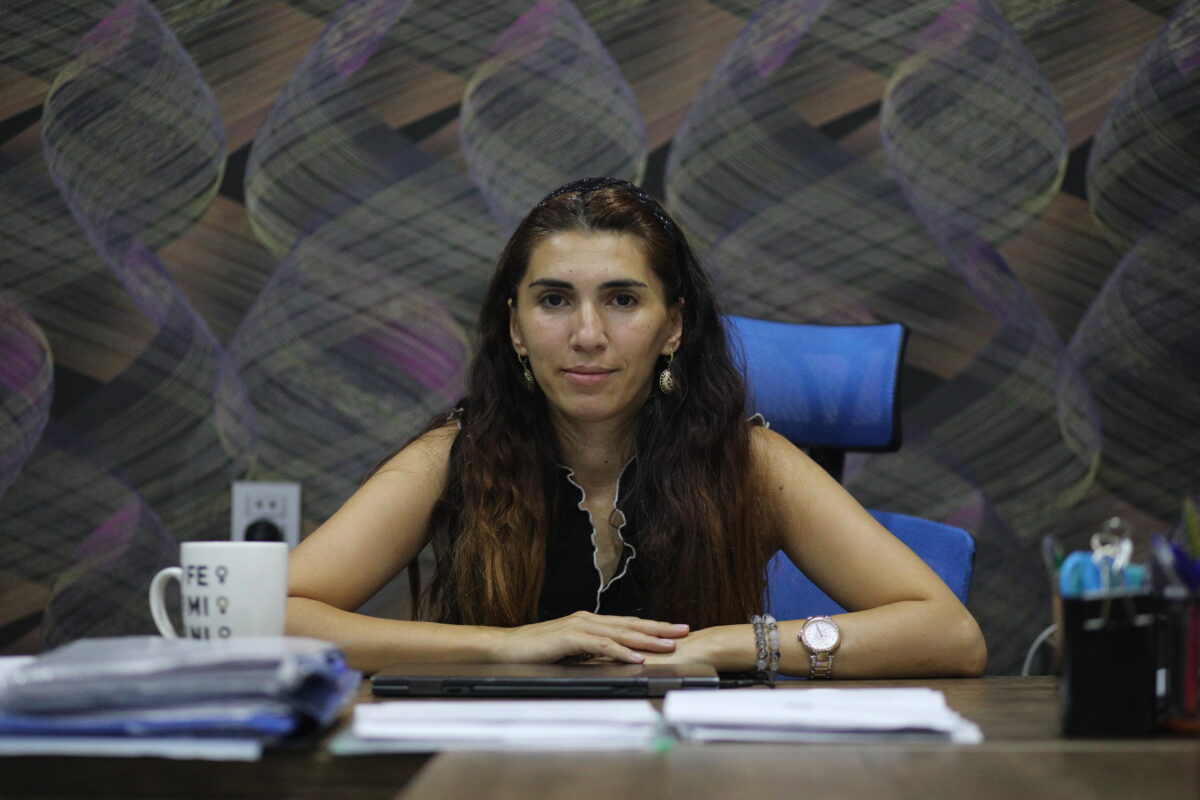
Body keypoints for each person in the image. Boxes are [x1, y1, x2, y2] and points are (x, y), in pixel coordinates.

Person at [286, 177, 987, 679]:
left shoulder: (748, 460)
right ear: (516, 328)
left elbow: (949, 633)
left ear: (672, 327)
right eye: (554, 300)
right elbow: (269, 616)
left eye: (622, 300)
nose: (588, 334)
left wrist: (726, 646)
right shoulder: (453, 455)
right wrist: (501, 645)